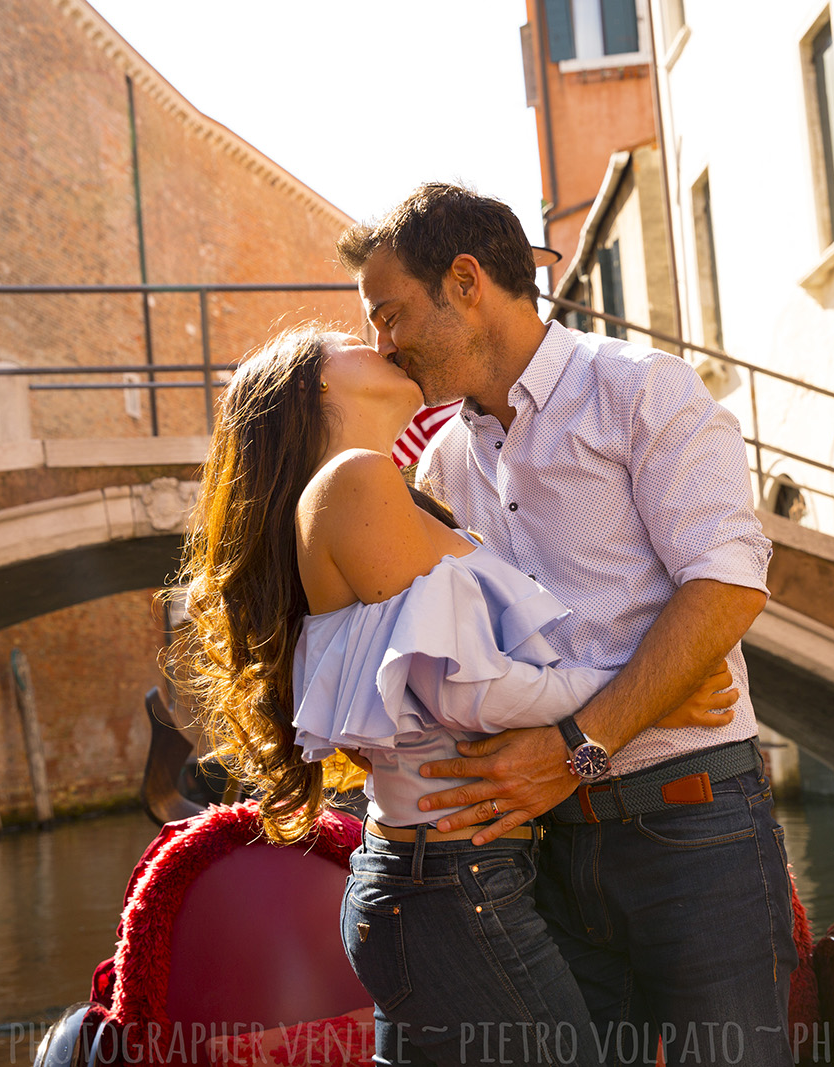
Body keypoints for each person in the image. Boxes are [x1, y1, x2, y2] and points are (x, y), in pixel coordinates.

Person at [172, 325, 742, 1067]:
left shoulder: (383, 490)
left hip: (438, 880)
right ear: (313, 386)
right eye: (352, 336)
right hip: (448, 886)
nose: (379, 336)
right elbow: (467, 690)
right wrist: (647, 696)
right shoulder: (352, 482)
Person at [337, 183, 799, 1066]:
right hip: (544, 850)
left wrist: (577, 745)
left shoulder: (638, 390)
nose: (380, 343)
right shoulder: (440, 459)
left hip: (696, 832)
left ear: (465, 282)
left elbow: (728, 586)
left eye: (389, 315)